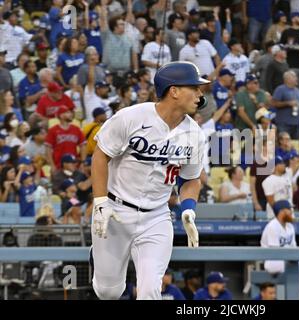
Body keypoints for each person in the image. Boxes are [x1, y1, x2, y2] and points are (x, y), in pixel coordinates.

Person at [90, 62, 206, 300]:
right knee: (108, 292)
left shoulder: (195, 134)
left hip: (157, 215)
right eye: (194, 88)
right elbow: (100, 155)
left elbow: (191, 180)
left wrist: (189, 209)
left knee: (150, 291)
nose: (200, 94)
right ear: (174, 91)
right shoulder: (131, 117)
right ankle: (97, 255)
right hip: (116, 210)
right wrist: (100, 202)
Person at [260, 200, 299, 300]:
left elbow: (293, 248)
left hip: (287, 261)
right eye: (289, 209)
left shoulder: (290, 227)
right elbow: (275, 252)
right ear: (282, 211)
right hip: (272, 262)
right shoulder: (272, 227)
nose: (292, 212)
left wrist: (298, 258)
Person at [45, 105, 86, 171]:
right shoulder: (53, 130)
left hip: (74, 165)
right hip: (58, 166)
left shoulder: (76, 129)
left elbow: (83, 146)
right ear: (61, 115)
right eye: (67, 113)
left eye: (70, 112)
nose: (70, 114)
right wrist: (52, 165)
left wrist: (83, 163)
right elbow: (48, 150)